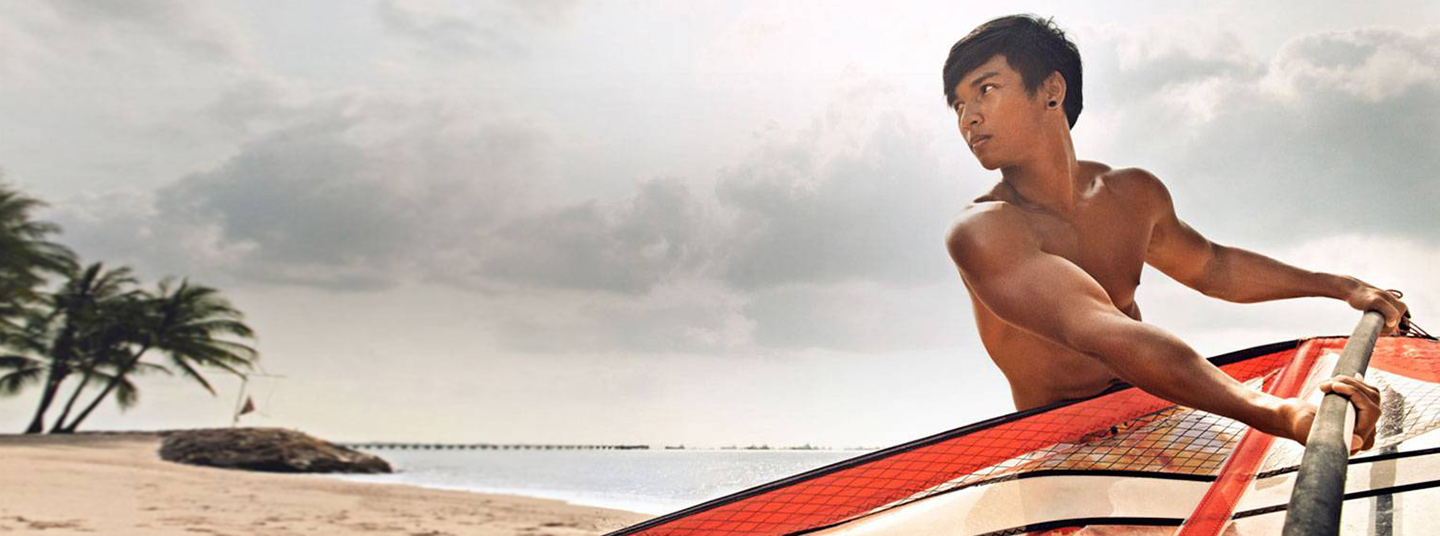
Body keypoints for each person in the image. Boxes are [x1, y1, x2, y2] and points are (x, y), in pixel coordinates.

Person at [941, 15, 1407, 453]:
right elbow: (1105, 333)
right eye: (960, 104)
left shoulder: (1131, 194)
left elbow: (1213, 267)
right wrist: (1279, 412)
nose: (969, 118)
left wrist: (1344, 288)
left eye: (986, 90)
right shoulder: (984, 230)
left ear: (1052, 90)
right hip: (1063, 447)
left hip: (1160, 416)